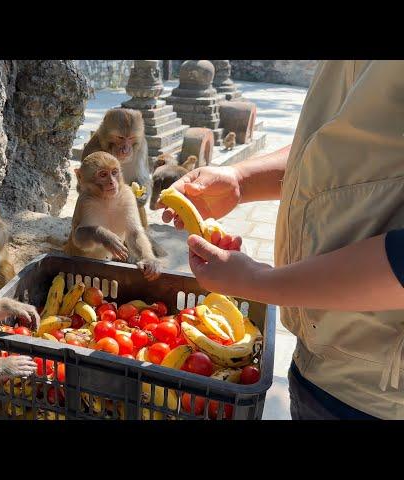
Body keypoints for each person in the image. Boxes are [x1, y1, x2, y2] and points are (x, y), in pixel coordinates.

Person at [159, 60, 404, 420]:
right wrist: (241, 179)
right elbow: (340, 151)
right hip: (320, 359)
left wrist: (257, 281)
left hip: (379, 392)